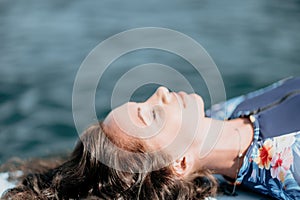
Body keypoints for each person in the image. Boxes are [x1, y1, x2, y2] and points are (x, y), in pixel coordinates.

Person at [1, 77, 300, 200]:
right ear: (180, 163)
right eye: (152, 115)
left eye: (142, 103)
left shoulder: (218, 115)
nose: (160, 93)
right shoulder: (290, 169)